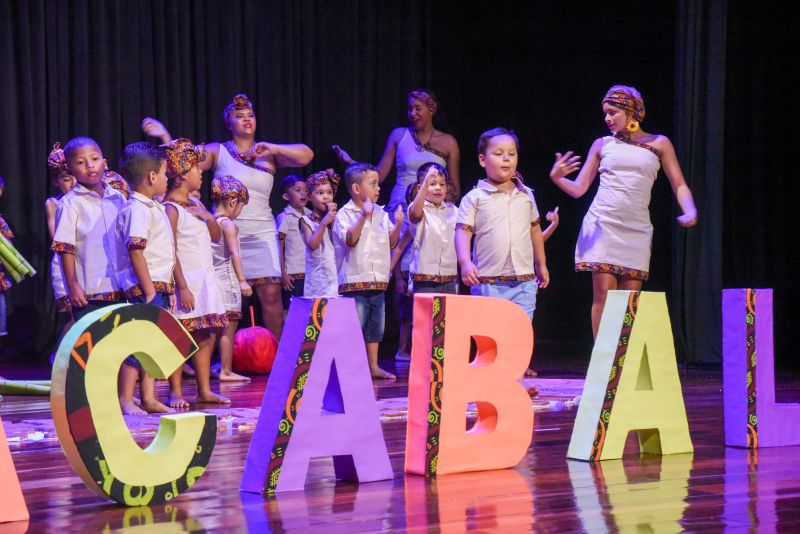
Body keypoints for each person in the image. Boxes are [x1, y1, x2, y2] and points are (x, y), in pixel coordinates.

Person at [142, 94, 314, 340]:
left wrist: (273, 147)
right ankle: (223, 363)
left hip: (262, 231)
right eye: (239, 116)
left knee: (272, 296)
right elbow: (183, 164)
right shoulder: (218, 151)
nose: (246, 120)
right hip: (224, 231)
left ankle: (276, 356)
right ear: (229, 123)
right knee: (224, 299)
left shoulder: (268, 154)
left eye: (250, 115)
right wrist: (164, 136)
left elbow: (306, 155)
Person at [549, 85, 698, 338]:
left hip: (636, 228)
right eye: (605, 113)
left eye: (613, 112)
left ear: (631, 112)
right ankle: (603, 364)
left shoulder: (659, 143)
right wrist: (557, 178)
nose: (607, 118)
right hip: (603, 223)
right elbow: (579, 189)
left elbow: (679, 183)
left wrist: (690, 211)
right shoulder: (602, 144)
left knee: (628, 301)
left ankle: (622, 363)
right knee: (603, 297)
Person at [333, 88, 461, 362]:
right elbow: (378, 173)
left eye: (418, 108)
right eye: (409, 108)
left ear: (431, 108)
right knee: (398, 266)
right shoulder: (398, 136)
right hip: (400, 206)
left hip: (435, 208)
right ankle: (401, 342)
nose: (412, 113)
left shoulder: (448, 142)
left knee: (428, 258)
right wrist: (351, 165)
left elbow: (454, 185)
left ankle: (423, 345)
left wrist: (443, 203)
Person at [161, 138, 230, 407]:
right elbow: (171, 251)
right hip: (185, 282)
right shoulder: (171, 209)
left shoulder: (195, 205)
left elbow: (215, 237)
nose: (201, 172)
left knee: (204, 335)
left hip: (204, 278)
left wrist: (208, 216)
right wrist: (182, 286)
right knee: (179, 336)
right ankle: (175, 390)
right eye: (196, 169)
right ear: (181, 175)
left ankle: (204, 390)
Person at [455, 128, 550, 321]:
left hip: (524, 283)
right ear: (483, 160)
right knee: (490, 336)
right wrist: (465, 263)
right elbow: (463, 233)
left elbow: (535, 231)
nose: (506, 158)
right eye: (498, 154)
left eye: (511, 153)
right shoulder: (474, 198)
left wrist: (541, 264)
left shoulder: (526, 195)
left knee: (520, 336)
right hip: (488, 282)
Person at [115, 142, 175, 414]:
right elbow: (136, 249)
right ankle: (126, 399)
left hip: (157, 285)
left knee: (151, 343)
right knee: (138, 342)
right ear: (152, 176)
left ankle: (148, 397)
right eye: (164, 174)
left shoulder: (151, 207)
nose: (166, 179)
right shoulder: (137, 210)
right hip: (144, 287)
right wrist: (150, 290)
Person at [333, 163, 403, 379]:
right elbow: (350, 240)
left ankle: (372, 366)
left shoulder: (381, 213)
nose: (378, 188)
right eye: (373, 184)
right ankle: (349, 369)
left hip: (378, 280)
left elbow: (391, 243)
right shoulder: (345, 214)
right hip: (354, 280)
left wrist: (399, 224)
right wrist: (363, 216)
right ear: (356, 188)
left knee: (375, 328)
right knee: (354, 328)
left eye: (378, 184)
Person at [51, 137, 127, 322]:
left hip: (124, 288)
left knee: (122, 344)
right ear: (70, 169)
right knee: (95, 346)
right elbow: (65, 247)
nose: (90, 165)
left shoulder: (119, 199)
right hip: (91, 291)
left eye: (94, 159)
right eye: (80, 162)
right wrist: (72, 284)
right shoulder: (70, 203)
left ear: (105, 163)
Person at [209, 175, 252, 382]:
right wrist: (242, 280)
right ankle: (225, 370)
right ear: (232, 202)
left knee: (214, 328)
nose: (239, 212)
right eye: (241, 207)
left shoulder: (210, 221)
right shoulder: (228, 224)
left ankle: (214, 366)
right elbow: (234, 253)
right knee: (229, 327)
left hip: (214, 279)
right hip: (227, 280)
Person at [45, 143, 77, 327]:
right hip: (64, 261)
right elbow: (56, 237)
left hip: (85, 261)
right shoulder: (54, 203)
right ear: (56, 181)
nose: (72, 183)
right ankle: (62, 355)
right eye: (66, 179)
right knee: (73, 317)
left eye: (73, 176)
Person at [299, 169, 340, 298]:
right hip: (318, 279)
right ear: (310, 197)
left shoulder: (336, 218)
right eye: (320, 193)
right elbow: (312, 244)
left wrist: (332, 220)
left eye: (329, 192)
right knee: (318, 315)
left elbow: (339, 243)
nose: (326, 197)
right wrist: (324, 222)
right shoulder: (306, 220)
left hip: (337, 275)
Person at [276, 175, 310, 310]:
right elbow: (279, 246)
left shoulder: (311, 215)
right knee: (293, 312)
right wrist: (283, 273)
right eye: (298, 190)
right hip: (294, 275)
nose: (303, 193)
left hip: (310, 273)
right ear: (286, 196)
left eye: (306, 190)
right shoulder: (285, 217)